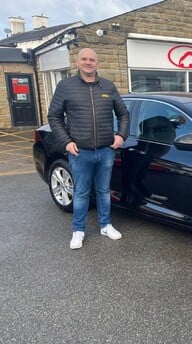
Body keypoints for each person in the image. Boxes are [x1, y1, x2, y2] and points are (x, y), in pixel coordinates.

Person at [47, 48, 130, 249]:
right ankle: (78, 231)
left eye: (92, 59)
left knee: (103, 191)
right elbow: (54, 116)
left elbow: (124, 114)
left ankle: (105, 225)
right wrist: (66, 141)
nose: (88, 62)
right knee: (81, 193)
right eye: (84, 59)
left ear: (97, 63)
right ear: (77, 63)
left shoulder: (108, 86)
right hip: (80, 152)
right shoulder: (66, 86)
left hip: (105, 151)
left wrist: (121, 136)